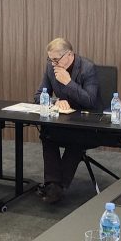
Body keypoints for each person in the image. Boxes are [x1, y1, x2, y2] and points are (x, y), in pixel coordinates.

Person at [34, 38, 100, 203]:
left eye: (56, 59)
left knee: (75, 139)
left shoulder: (87, 68)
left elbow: (91, 101)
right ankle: (54, 184)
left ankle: (57, 187)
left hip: (88, 122)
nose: (53, 63)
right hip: (65, 120)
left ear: (69, 55)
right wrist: (55, 102)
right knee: (47, 134)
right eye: (50, 59)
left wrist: (68, 82)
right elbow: (38, 96)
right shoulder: (51, 68)